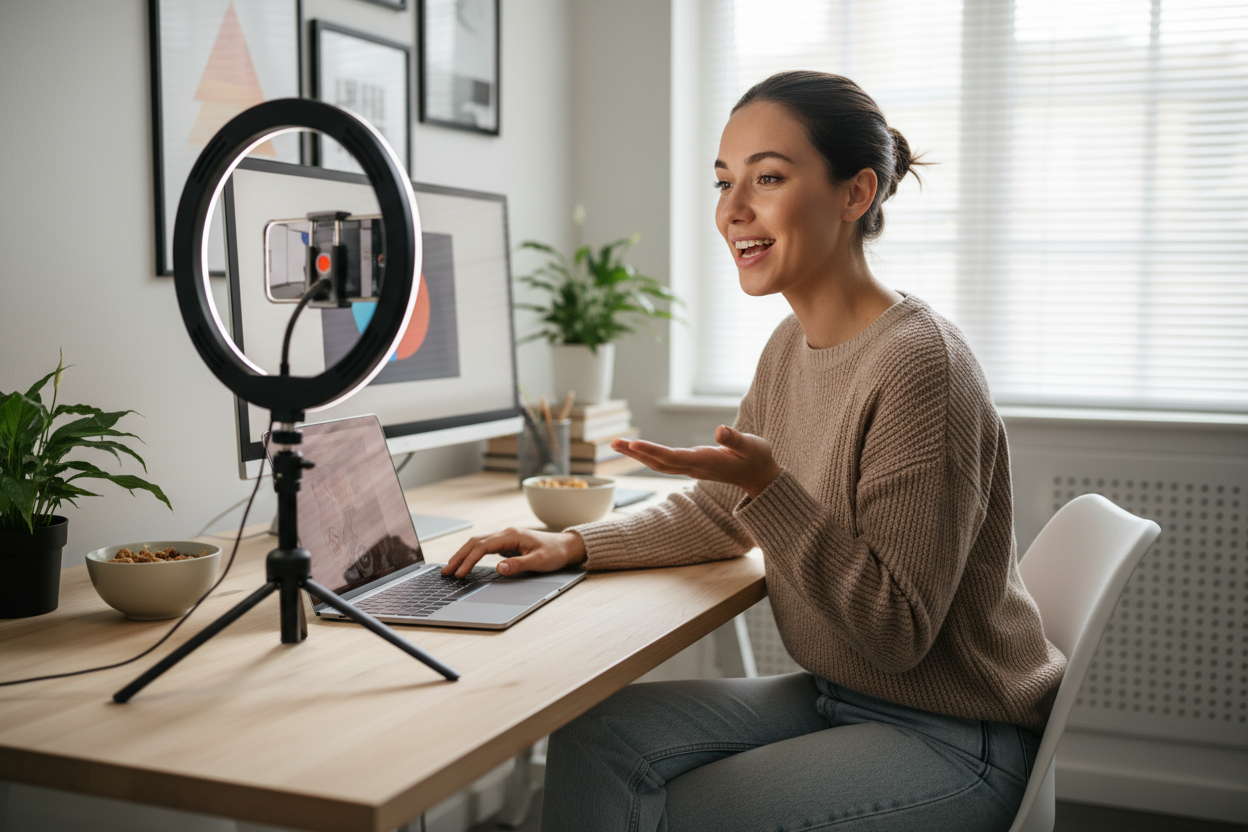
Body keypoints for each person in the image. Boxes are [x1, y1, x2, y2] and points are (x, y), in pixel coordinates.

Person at [444, 70, 1066, 832]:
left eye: (767, 177)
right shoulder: (789, 346)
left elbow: (896, 631)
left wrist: (770, 490)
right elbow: (719, 513)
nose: (732, 210)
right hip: (841, 697)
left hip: (954, 736)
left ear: (855, 194)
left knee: (671, 815)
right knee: (592, 739)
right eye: (723, 181)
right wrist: (572, 544)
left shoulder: (919, 366)